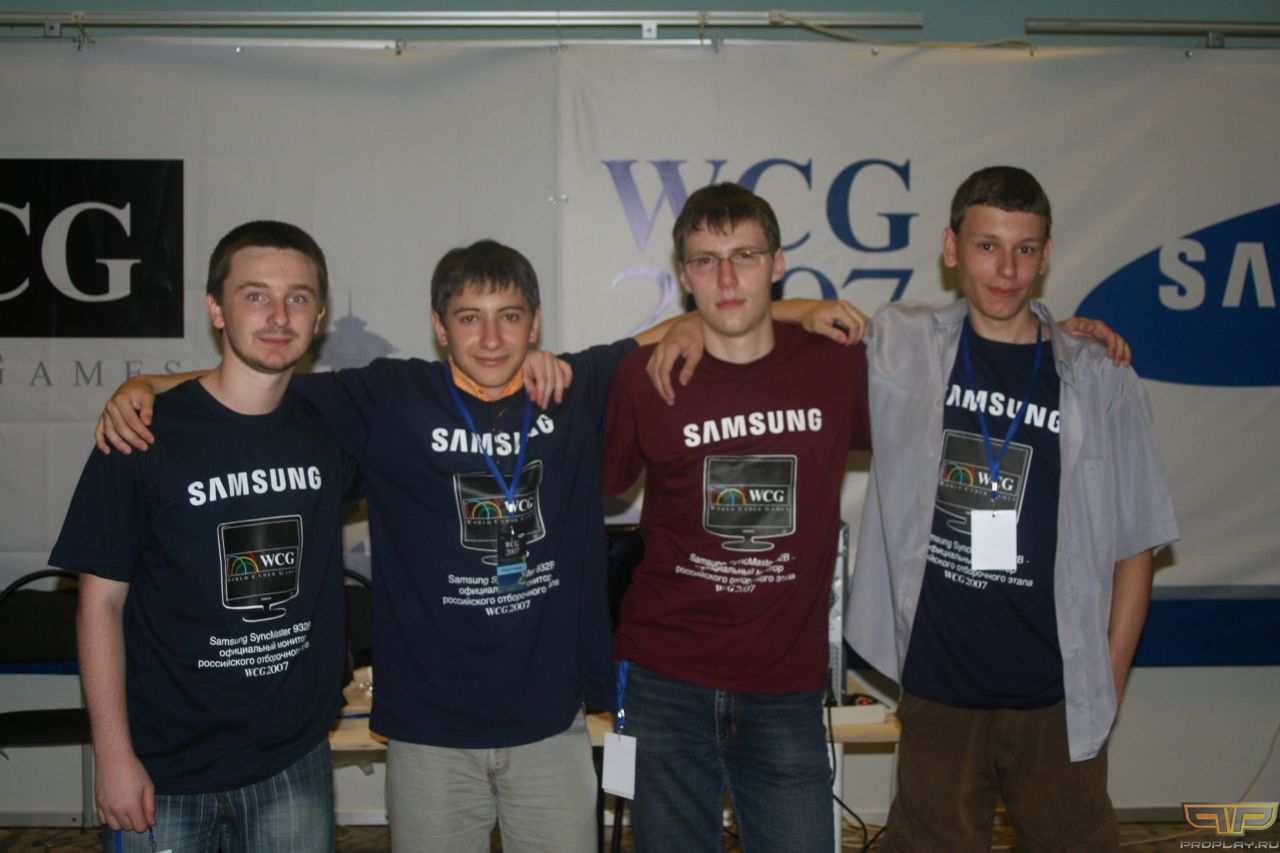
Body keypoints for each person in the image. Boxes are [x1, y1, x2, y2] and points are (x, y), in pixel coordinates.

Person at [94, 237, 851, 852]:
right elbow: (255, 383)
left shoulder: (574, 387)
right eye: (469, 317)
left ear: (536, 322)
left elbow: (712, 320)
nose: (491, 338)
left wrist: (800, 308)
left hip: (550, 724)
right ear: (439, 325)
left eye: (509, 316)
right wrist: (151, 383)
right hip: (429, 730)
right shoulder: (389, 397)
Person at [846, 166, 1179, 851]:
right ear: (951, 249)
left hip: (1056, 694)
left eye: (1024, 249)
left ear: (1046, 255)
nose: (1006, 269)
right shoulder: (902, 345)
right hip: (939, 685)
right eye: (987, 246)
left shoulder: (1098, 375)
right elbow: (774, 333)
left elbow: (1137, 545)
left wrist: (1106, 683)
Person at [50, 221, 360, 852]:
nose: (278, 316)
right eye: (255, 295)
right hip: (163, 772)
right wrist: (113, 755)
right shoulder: (141, 434)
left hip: (293, 762)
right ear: (216, 309)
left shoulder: (332, 426)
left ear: (320, 316)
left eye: (298, 298)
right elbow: (99, 605)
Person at [602, 183, 873, 853]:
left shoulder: (839, 366)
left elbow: (957, 356)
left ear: (777, 264)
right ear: (684, 275)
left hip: (785, 685)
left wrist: (1059, 334)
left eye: (744, 256)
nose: (726, 278)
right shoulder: (645, 377)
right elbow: (592, 483)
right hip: (664, 679)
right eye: (706, 261)